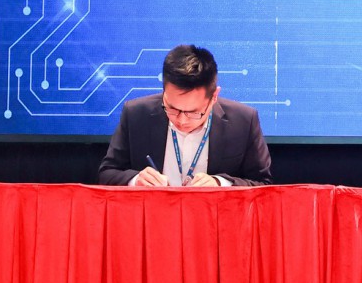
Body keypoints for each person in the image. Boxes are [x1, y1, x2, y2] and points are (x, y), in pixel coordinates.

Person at [98, 44, 272, 187]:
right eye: (172, 108)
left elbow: (263, 184)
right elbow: (107, 173)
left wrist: (221, 184)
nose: (181, 120)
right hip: (154, 215)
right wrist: (136, 180)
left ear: (214, 97)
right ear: (164, 92)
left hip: (214, 217)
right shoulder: (136, 114)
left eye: (193, 112)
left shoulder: (243, 121)